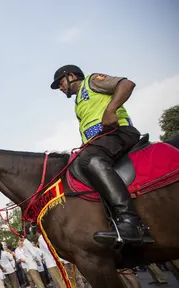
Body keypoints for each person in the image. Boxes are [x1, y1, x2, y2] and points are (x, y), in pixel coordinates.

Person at [50, 65, 152, 245]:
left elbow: (126, 84)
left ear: (71, 76)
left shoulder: (91, 81)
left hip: (119, 132)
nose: (60, 87)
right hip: (101, 142)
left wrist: (110, 110)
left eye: (61, 82)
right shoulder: (79, 102)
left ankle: (129, 221)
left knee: (89, 160)